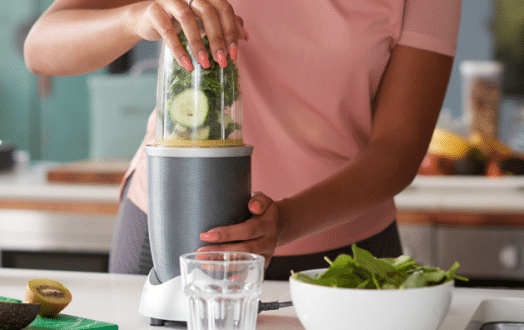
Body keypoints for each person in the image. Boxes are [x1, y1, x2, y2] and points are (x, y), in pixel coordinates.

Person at [24, 0, 461, 279]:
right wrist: (134, 17)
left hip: (346, 253)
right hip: (175, 232)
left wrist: (284, 223)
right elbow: (42, 46)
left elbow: (399, 147)